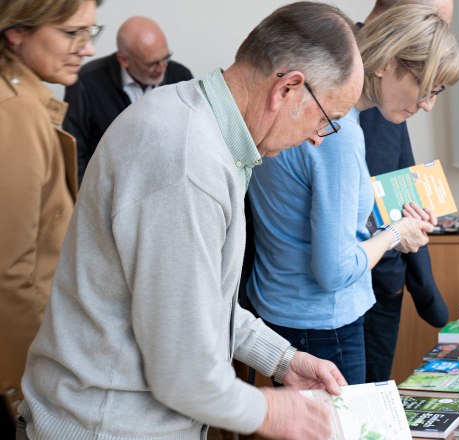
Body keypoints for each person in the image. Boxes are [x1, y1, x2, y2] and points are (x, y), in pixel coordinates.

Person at [19, 2, 365, 439]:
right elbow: (183, 369)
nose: (317, 139)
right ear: (288, 90)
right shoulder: (187, 163)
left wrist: (282, 359)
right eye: (327, 120)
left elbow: (198, 304)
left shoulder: (195, 120)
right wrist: (273, 411)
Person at [245, 3, 459, 385]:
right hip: (323, 321)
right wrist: (395, 235)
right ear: (387, 64)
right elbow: (334, 271)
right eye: (426, 89)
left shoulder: (313, 109)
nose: (428, 105)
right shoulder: (339, 133)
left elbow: (302, 211)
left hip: (283, 307)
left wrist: (388, 223)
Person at [0, 0, 102, 407]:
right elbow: (9, 277)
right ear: (16, 32)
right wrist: (25, 389)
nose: (88, 48)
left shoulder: (24, 102)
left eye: (90, 33)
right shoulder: (15, 115)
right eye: (71, 33)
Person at [360, 0, 454, 383]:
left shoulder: (395, 97)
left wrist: (420, 279)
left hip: (385, 272)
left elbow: (402, 172)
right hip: (340, 286)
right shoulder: (344, 72)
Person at [64, 16, 193, 185]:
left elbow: (191, 140)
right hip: (106, 190)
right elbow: (74, 152)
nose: (162, 68)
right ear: (124, 60)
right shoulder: (85, 83)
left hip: (163, 188)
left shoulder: (180, 77)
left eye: (166, 58)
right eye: (152, 64)